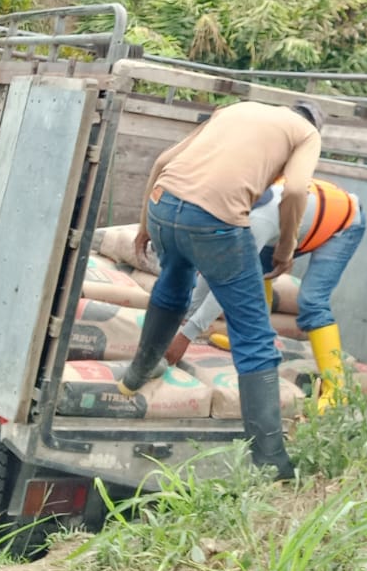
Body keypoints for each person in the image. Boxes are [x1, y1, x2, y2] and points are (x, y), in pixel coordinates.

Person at [117, 98, 327, 479]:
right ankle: (271, 464)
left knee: (172, 286)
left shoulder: (235, 109)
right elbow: (297, 191)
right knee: (254, 336)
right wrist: (286, 249)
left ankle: (136, 374)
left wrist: (145, 223)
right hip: (215, 221)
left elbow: (162, 161)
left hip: (164, 205)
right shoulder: (306, 134)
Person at [162, 174, 367, 413]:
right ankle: (257, 340)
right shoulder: (223, 211)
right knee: (259, 271)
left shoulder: (255, 221)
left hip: (342, 224)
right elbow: (213, 268)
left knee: (312, 300)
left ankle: (336, 391)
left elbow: (229, 282)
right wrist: (184, 318)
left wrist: (186, 335)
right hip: (296, 219)